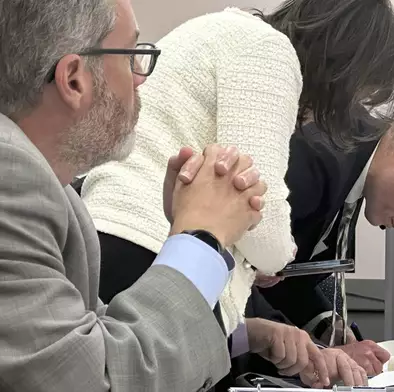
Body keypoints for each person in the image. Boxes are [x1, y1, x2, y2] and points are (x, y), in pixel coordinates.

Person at [79, 0, 394, 385]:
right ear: (347, 65)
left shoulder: (226, 34)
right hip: (150, 250)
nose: (346, 111)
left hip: (127, 244)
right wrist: (273, 261)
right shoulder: (268, 51)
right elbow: (262, 217)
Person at [0, 0, 278, 391]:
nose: (140, 78)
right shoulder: (12, 176)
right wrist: (200, 237)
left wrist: (190, 233)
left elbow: (95, 344)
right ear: (74, 79)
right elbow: (99, 381)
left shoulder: (53, 191)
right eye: (131, 55)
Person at [258, 117, 394, 368]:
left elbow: (287, 278)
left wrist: (325, 327)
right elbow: (241, 273)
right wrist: (317, 353)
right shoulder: (316, 157)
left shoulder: (354, 171)